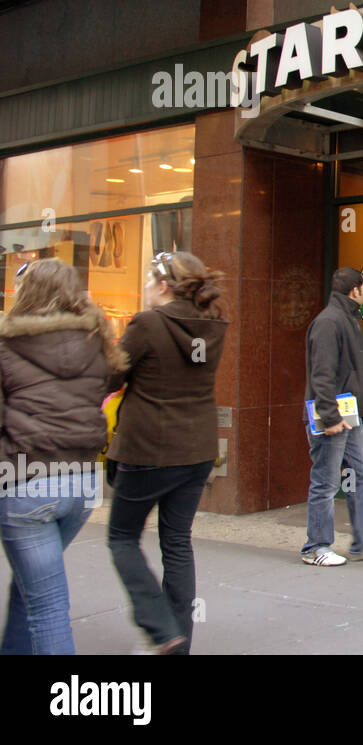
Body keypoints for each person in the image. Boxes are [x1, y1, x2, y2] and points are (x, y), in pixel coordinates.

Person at [0, 259, 126, 654]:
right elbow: (115, 381)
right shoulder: (97, 342)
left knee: (47, 604)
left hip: (26, 481)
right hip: (83, 483)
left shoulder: (5, 344)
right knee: (32, 588)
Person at [106, 251, 229, 654]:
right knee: (177, 542)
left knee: (123, 537)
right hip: (196, 449)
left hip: (147, 449)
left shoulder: (147, 323)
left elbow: (111, 375)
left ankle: (160, 628)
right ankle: (179, 641)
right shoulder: (213, 324)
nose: (143, 288)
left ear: (162, 285)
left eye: (146, 281)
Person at [301, 267, 363, 566]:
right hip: (333, 415)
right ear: (355, 290)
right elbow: (322, 374)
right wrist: (329, 418)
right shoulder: (330, 322)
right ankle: (315, 547)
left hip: (347, 413)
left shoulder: (346, 319)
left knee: (359, 475)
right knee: (326, 481)